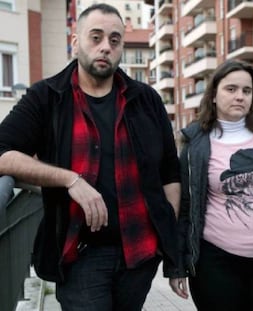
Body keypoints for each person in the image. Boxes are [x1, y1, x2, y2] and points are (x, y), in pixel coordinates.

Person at [0, 3, 180, 311]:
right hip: (80, 254)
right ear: (75, 41)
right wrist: (69, 179)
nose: (105, 47)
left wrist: (165, 234)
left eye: (114, 40)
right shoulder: (47, 97)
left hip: (140, 253)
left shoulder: (146, 99)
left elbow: (170, 173)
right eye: (95, 37)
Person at [169, 59, 253, 311]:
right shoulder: (195, 145)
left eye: (246, 90)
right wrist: (177, 265)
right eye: (231, 89)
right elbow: (186, 209)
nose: (240, 96)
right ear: (214, 95)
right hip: (216, 264)